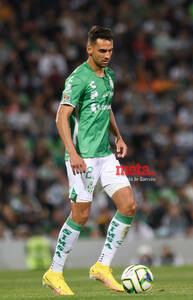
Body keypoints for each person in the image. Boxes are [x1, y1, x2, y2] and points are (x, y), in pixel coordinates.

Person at [42, 25, 137, 296]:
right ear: (89, 49)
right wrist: (72, 153)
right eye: (102, 50)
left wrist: (118, 136)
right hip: (82, 157)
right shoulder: (78, 78)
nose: (107, 55)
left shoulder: (109, 76)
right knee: (80, 215)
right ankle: (54, 272)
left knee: (129, 206)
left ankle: (102, 267)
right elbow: (61, 117)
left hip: (106, 155)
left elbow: (106, 109)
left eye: (110, 50)